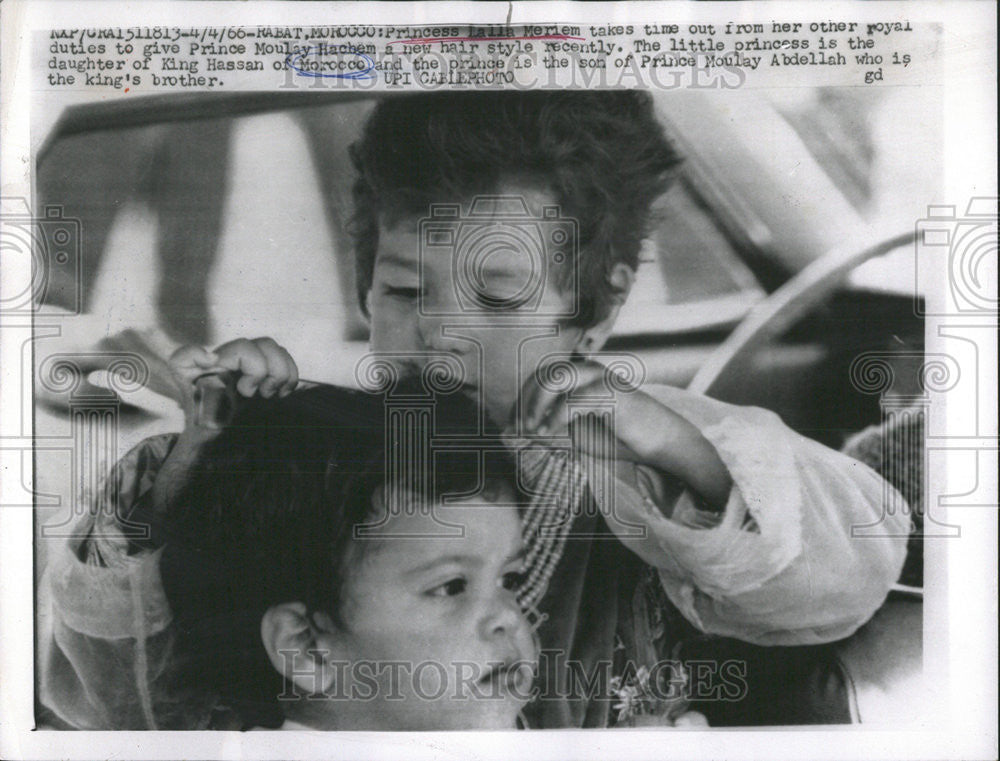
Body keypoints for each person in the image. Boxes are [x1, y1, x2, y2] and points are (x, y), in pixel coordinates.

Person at [39, 90, 909, 729]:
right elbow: (116, 704)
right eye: (404, 288)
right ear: (360, 286)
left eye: (497, 299)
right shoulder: (322, 458)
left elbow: (845, 577)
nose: (439, 337)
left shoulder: (645, 461)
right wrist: (191, 471)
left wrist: (683, 447)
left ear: (598, 313)